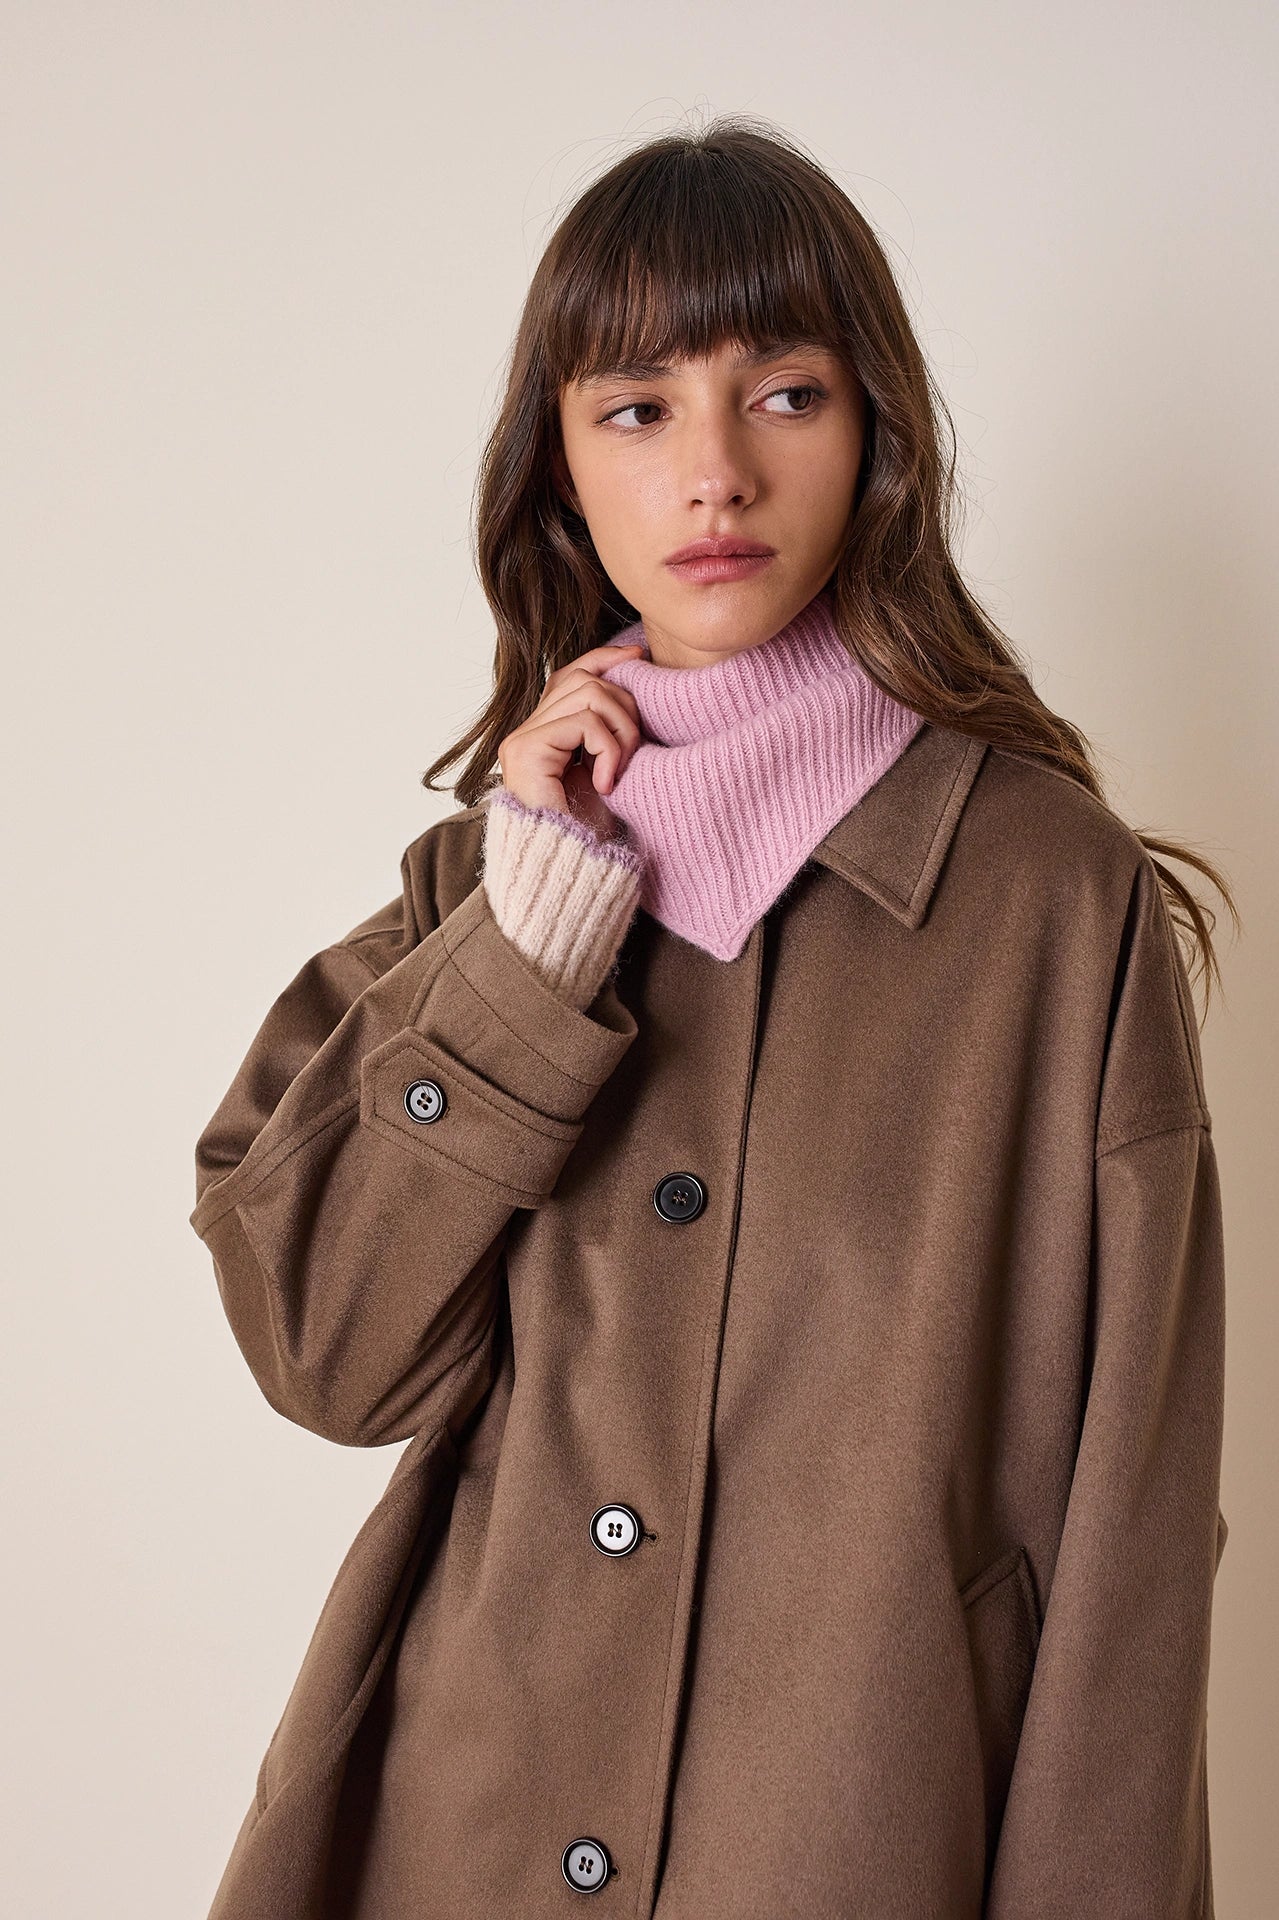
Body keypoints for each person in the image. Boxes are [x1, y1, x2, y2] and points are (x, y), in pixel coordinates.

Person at [188, 116, 1237, 1919]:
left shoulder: (1051, 904)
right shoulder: (486, 891)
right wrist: (527, 944)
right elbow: (324, 1353)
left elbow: (1134, 1536)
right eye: (637, 410)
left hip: (862, 1840)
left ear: (875, 435)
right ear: (559, 472)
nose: (715, 475)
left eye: (786, 394)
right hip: (462, 1827)